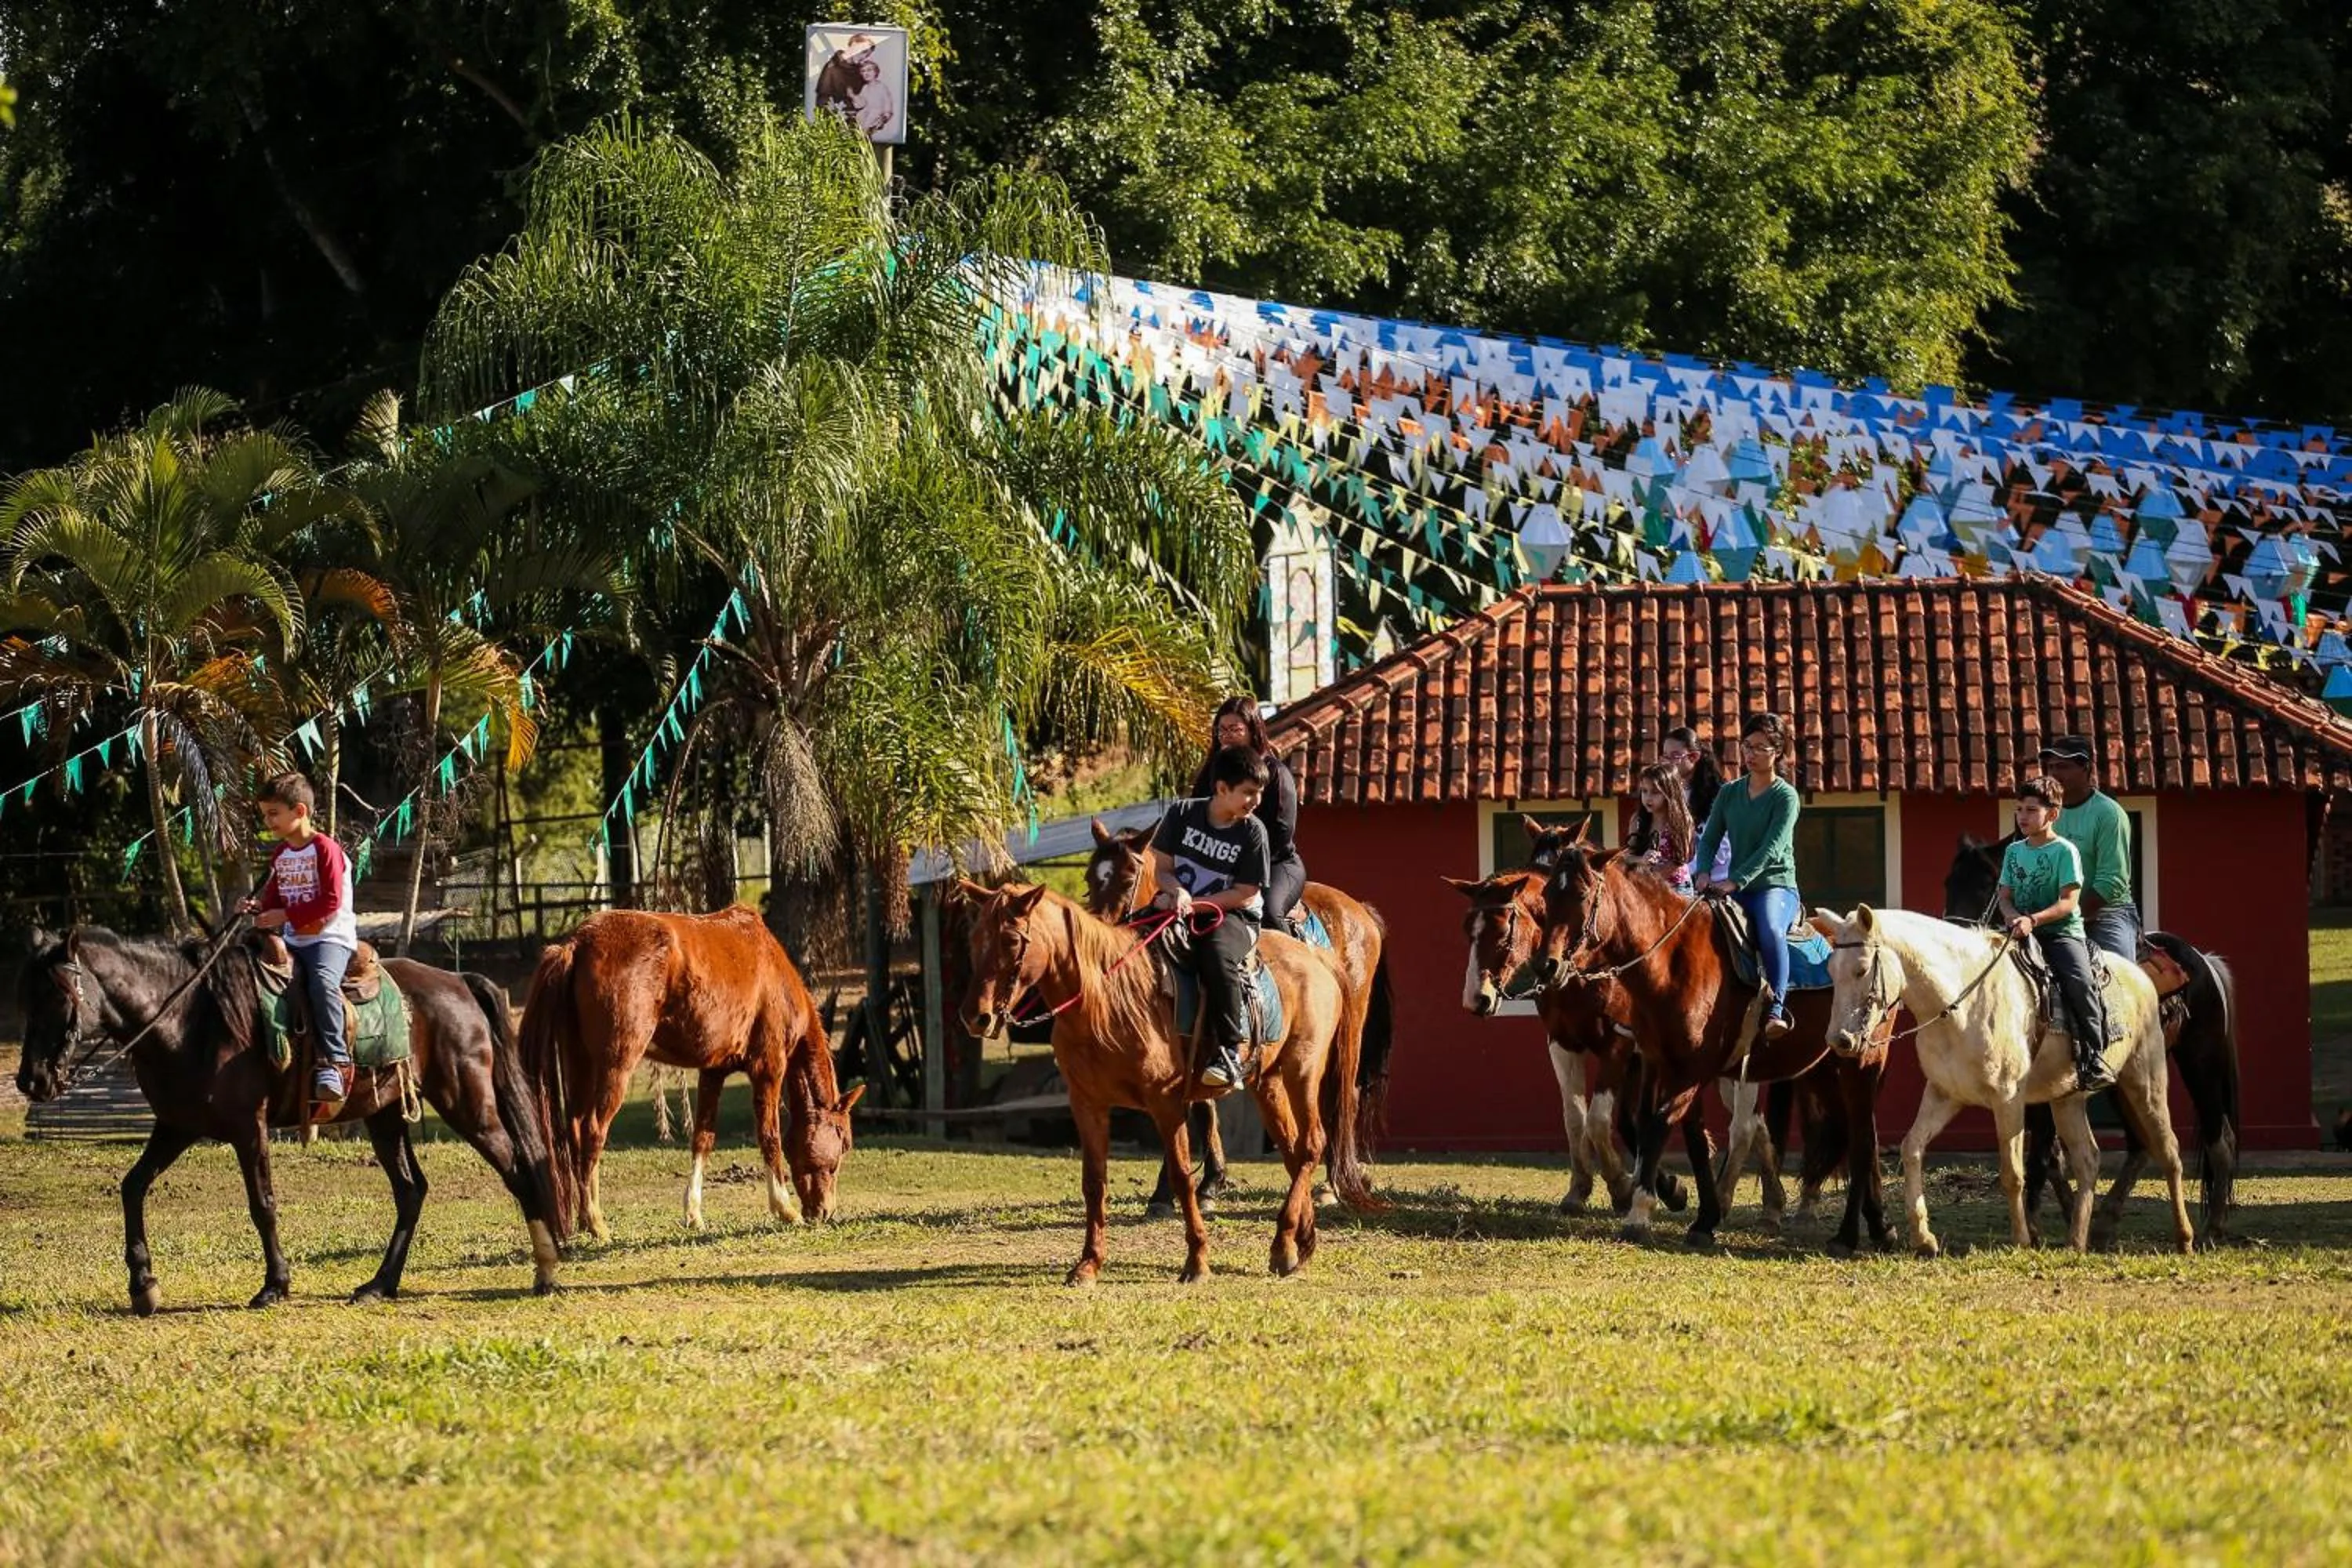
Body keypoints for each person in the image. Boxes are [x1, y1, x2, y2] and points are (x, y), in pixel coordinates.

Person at [1152, 745, 1273, 1091]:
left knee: (1217, 955)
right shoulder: (1181, 814)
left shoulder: (1253, 833)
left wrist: (1195, 904)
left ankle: (1229, 1052)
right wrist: (1176, 892)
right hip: (1181, 905)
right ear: (1222, 789)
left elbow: (1246, 892)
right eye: (1249, 792)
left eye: (1259, 793)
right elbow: (1163, 869)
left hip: (1234, 916)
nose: (1256, 801)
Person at [241, 771, 359, 1115]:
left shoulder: (326, 849)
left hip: (328, 939)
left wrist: (282, 917)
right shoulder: (281, 855)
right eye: (265, 814)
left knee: (322, 983)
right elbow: (275, 900)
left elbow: (330, 902)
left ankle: (335, 1062)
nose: (268, 821)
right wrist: (258, 908)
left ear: (300, 811)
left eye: (273, 813)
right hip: (294, 940)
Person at [1999, 775, 2118, 1092]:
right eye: (2020, 809)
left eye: (2032, 810)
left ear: (2053, 814)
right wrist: (2012, 917)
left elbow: (2068, 903)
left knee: (2080, 983)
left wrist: (2032, 921)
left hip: (2061, 934)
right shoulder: (2013, 852)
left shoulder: (2065, 852)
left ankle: (2095, 1056)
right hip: (2020, 932)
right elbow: (2004, 896)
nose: (2023, 816)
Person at [1693, 712, 1804, 1040]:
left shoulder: (1786, 797)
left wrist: (1734, 881)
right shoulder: (1729, 793)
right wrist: (1701, 872)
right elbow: (1710, 837)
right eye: (1746, 746)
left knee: (1770, 928)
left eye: (1759, 748)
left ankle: (1777, 1008)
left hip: (1774, 886)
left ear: (1778, 752)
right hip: (1733, 887)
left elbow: (1771, 849)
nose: (1750, 754)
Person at [1190, 696, 1307, 938]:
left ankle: (1294, 968)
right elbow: (1195, 821)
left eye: (1235, 729)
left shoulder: (1275, 773)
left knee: (1270, 914)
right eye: (1222, 730)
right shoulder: (1208, 776)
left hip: (1274, 866)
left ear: (1253, 731)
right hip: (1217, 866)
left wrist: (1238, 863)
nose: (1228, 736)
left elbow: (1280, 834)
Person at [2036, 735, 2139, 963]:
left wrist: (2066, 914)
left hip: (2107, 914)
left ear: (2086, 768)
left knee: (2118, 983)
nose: (2054, 773)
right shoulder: (2042, 813)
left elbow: (2112, 882)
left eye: (2063, 766)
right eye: (2051, 767)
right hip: (2053, 915)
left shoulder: (2108, 814)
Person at [1664, 725, 1731, 886]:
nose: (1668, 763)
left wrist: (1684, 870)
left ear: (1693, 757)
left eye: (1675, 756)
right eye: (1665, 757)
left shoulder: (1720, 795)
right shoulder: (1670, 794)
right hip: (1682, 878)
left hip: (1717, 879)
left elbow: (1721, 847)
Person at [1627, 762, 1695, 892]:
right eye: (1644, 791)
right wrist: (1642, 860)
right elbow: (1628, 857)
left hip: (1677, 889)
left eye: (1655, 792)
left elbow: (1679, 860)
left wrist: (1652, 879)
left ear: (1669, 794)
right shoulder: (1638, 821)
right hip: (1643, 886)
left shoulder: (1682, 821)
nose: (1648, 798)